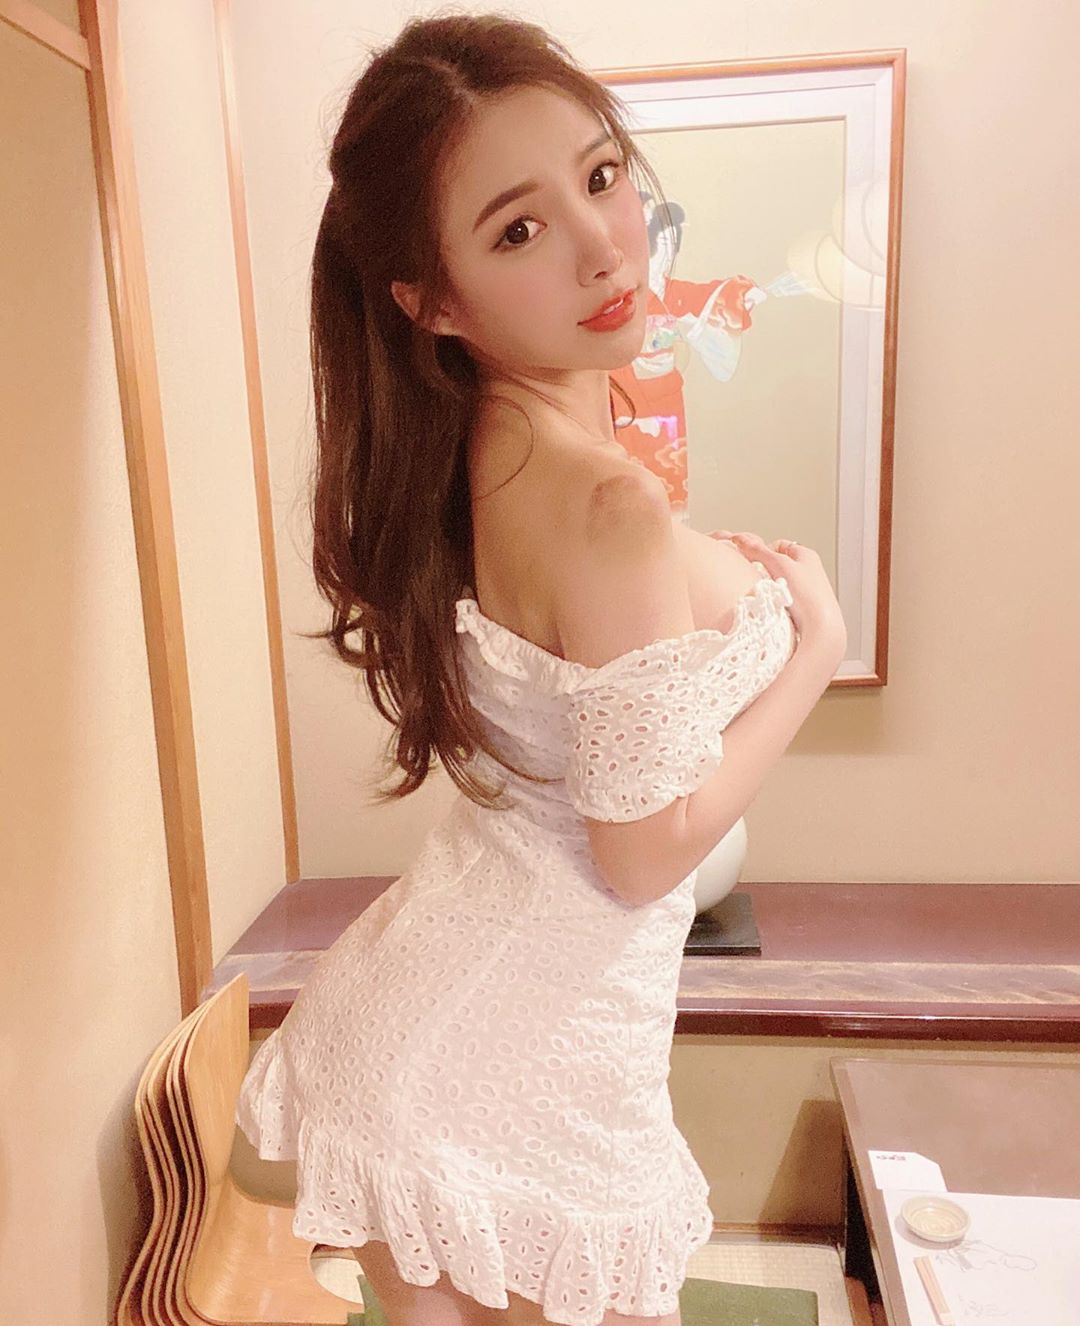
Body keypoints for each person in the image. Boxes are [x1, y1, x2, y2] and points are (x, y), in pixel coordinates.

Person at [234, 13, 847, 1326]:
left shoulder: (486, 447)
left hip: (472, 1026)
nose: (602, 243)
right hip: (507, 1060)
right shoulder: (598, 498)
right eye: (518, 229)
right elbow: (639, 852)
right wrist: (815, 654)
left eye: (602, 174)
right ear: (430, 300)